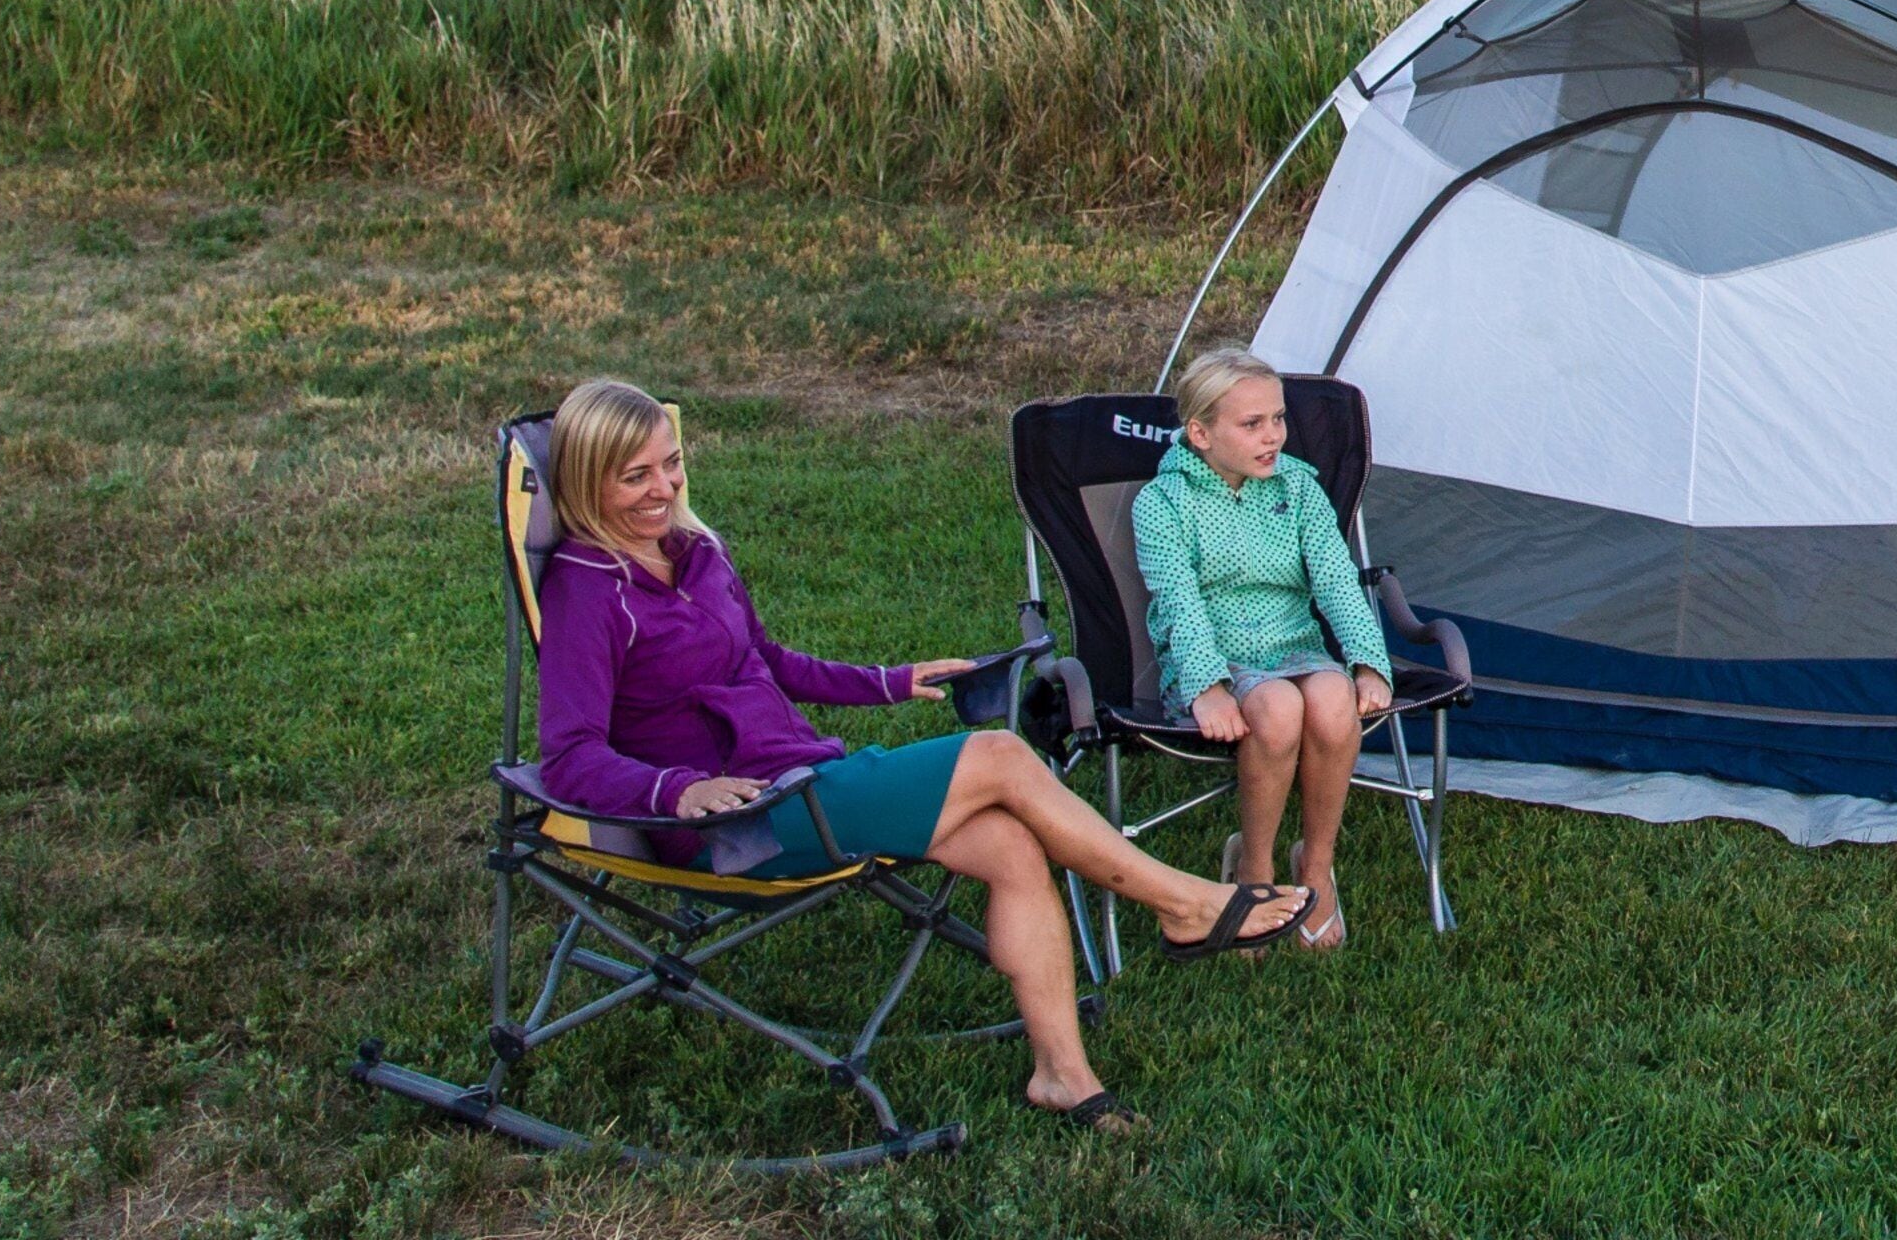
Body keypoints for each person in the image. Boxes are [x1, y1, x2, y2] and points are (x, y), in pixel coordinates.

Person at [532, 377, 1306, 1136]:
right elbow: (568, 757)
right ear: (583, 482)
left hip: (803, 780)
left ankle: (1062, 1075)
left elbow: (763, 659)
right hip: (740, 826)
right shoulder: (588, 591)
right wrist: (681, 793)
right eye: (634, 476)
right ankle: (1186, 904)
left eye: (670, 463)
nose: (663, 487)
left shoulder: (695, 553)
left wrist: (889, 682)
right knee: (999, 755)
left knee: (1007, 844)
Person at [1131, 349, 1395, 951]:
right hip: (1216, 658)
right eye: (1252, 425)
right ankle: (1253, 875)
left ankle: (1316, 868)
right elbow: (1178, 603)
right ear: (1200, 433)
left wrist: (1366, 661)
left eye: (1277, 418)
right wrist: (1208, 686)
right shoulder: (1164, 504)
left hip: (1294, 645)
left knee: (1332, 699)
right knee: (1277, 710)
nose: (1273, 435)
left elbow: (1334, 579)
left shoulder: (1298, 486)